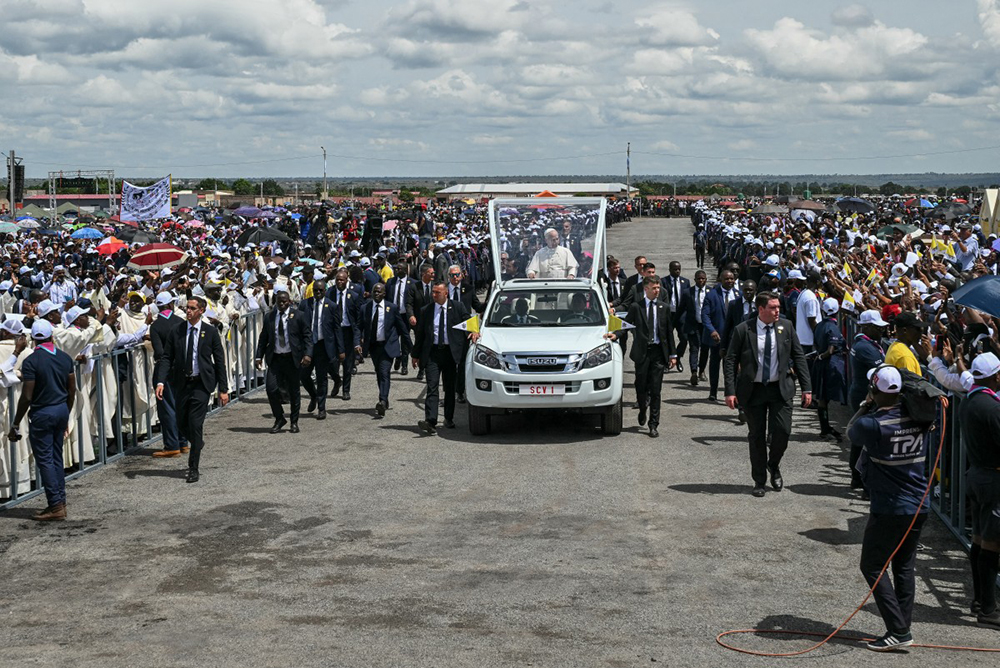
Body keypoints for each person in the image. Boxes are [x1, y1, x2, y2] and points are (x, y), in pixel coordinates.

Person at [850, 365, 931, 651]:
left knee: (872, 565)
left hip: (890, 507)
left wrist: (865, 403)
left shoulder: (872, 424)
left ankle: (898, 629)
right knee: (904, 567)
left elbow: (852, 431)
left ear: (874, 390)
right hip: (920, 504)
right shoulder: (920, 417)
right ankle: (902, 627)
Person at [724, 291, 812, 497]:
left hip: (780, 389)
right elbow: (730, 360)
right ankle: (759, 481)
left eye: (778, 307)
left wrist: (807, 388)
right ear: (760, 309)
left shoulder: (786, 327)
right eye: (773, 307)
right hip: (753, 391)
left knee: (783, 431)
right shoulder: (743, 329)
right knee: (756, 437)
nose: (777, 311)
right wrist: (730, 391)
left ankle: (773, 464)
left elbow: (798, 356)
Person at [155, 296, 229, 484]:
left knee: (195, 424)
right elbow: (166, 358)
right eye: (187, 308)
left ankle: (193, 467)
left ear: (201, 311)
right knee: (181, 422)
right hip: (182, 383)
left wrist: (223, 388)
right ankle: (197, 443)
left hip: (201, 384)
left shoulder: (210, 332)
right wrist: (161, 381)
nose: (188, 311)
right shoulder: (177, 331)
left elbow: (219, 361)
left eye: (192, 308)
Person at [9, 320, 75, 521]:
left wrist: (15, 423)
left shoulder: (32, 361)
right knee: (56, 457)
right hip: (61, 409)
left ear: (32, 340)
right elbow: (71, 389)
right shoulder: (64, 358)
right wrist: (66, 413)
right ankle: (60, 502)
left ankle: (55, 505)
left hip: (42, 413)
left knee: (45, 459)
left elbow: (27, 396)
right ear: (51, 337)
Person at [957, 352, 1000, 629]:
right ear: (996, 376)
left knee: (980, 540)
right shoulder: (991, 407)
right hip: (993, 480)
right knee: (992, 546)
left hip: (977, 475)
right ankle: (988, 608)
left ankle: (979, 600)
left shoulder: (971, 399)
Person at [411, 282, 472, 434]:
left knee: (449, 388)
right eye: (433, 292)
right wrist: (415, 354)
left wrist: (474, 331)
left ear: (446, 294)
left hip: (450, 353)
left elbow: (469, 320)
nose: (434, 295)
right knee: (432, 386)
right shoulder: (427, 310)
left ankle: (449, 418)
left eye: (437, 292)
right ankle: (430, 421)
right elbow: (420, 334)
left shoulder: (457, 307)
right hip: (432, 353)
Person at [626, 275, 677, 437]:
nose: (657, 291)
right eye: (654, 288)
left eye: (658, 288)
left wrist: (672, 354)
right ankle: (642, 409)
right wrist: (614, 335)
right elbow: (626, 324)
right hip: (642, 352)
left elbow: (669, 332)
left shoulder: (664, 307)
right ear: (645, 289)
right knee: (641, 386)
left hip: (658, 353)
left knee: (656, 390)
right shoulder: (636, 307)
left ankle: (653, 424)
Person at [255, 288, 312, 434]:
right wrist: (258, 356)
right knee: (271, 389)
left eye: (284, 301)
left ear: (289, 302)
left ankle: (294, 421)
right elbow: (263, 338)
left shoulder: (299, 316)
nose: (281, 304)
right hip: (275, 359)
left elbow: (307, 336)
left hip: (292, 359)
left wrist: (307, 355)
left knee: (294, 391)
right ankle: (279, 418)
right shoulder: (269, 317)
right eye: (279, 301)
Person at [848, 309, 888, 493]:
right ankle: (863, 481)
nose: (882, 331)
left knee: (860, 440)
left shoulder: (863, 343)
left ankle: (857, 478)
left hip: (862, 393)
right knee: (867, 441)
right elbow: (882, 370)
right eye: (877, 328)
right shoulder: (866, 348)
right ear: (867, 326)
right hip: (866, 397)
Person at [359, 283, 408, 417]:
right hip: (374, 347)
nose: (376, 294)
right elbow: (359, 326)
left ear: (384, 294)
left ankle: (382, 400)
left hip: (388, 346)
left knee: (384, 372)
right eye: (374, 292)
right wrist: (358, 341)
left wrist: (410, 348)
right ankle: (384, 399)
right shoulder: (366, 308)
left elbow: (402, 328)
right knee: (379, 373)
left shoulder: (391, 308)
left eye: (379, 292)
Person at [150, 291, 187, 457]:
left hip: (164, 369)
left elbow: (159, 352)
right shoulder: (180, 321)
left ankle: (172, 444)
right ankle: (183, 441)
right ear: (171, 305)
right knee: (180, 404)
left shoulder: (156, 326)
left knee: (167, 407)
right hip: (181, 367)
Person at [812, 297, 847, 441]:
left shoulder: (819, 325)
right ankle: (825, 429)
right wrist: (822, 356)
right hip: (829, 364)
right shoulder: (833, 327)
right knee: (825, 397)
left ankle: (825, 427)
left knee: (822, 398)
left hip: (822, 363)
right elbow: (831, 349)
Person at [702, 269, 739, 402]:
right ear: (720, 280)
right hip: (716, 338)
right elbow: (705, 315)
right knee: (714, 365)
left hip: (732, 339)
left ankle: (731, 392)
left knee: (730, 367)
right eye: (727, 279)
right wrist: (712, 330)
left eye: (732, 279)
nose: (730, 281)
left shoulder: (738, 294)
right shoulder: (712, 295)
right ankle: (713, 391)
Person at [298, 278, 333, 419]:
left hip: (322, 345)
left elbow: (336, 329)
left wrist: (339, 349)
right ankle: (314, 396)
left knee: (321, 377)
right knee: (304, 375)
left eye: (320, 290)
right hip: (307, 345)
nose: (318, 293)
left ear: (325, 291)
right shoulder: (304, 305)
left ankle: (322, 408)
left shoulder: (331, 306)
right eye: (315, 290)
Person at [328, 269, 362, 401]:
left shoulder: (353, 295)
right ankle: (337, 380)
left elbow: (358, 317)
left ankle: (346, 390)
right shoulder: (330, 293)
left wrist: (358, 338)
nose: (339, 282)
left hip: (347, 331)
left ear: (346, 280)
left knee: (348, 364)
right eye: (337, 280)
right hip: (333, 332)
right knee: (332, 361)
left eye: (342, 280)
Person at [661, 261, 690, 372]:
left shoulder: (685, 282)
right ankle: (667, 360)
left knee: (684, 338)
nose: (677, 271)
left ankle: (677, 357)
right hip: (668, 314)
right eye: (674, 269)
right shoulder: (664, 281)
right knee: (666, 338)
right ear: (670, 270)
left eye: (678, 269)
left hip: (681, 314)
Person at [885, 311, 929, 377]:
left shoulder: (895, 346)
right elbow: (912, 385)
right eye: (918, 329)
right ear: (905, 330)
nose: (921, 332)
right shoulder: (905, 357)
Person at [685, 269, 709, 386]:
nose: (700, 280)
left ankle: (701, 370)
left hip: (706, 326)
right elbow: (681, 310)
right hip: (693, 325)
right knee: (694, 349)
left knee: (705, 350)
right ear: (694, 280)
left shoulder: (711, 292)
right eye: (698, 278)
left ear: (706, 280)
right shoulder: (688, 292)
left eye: (702, 278)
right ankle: (693, 372)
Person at [795, 272, 821, 354]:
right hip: (809, 341)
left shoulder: (804, 293)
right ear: (817, 282)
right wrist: (819, 335)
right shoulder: (810, 298)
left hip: (802, 339)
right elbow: (811, 319)